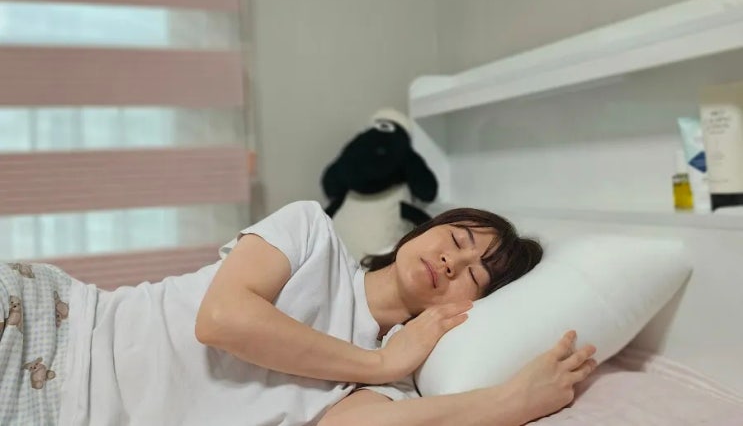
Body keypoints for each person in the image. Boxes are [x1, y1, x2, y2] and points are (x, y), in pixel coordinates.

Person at [0, 201, 597, 426]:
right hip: (50, 323)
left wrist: (508, 403)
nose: (452, 258)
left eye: (474, 274)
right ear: (427, 228)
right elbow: (221, 320)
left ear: (473, 308)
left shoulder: (390, 388)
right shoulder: (311, 232)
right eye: (458, 238)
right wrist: (377, 362)